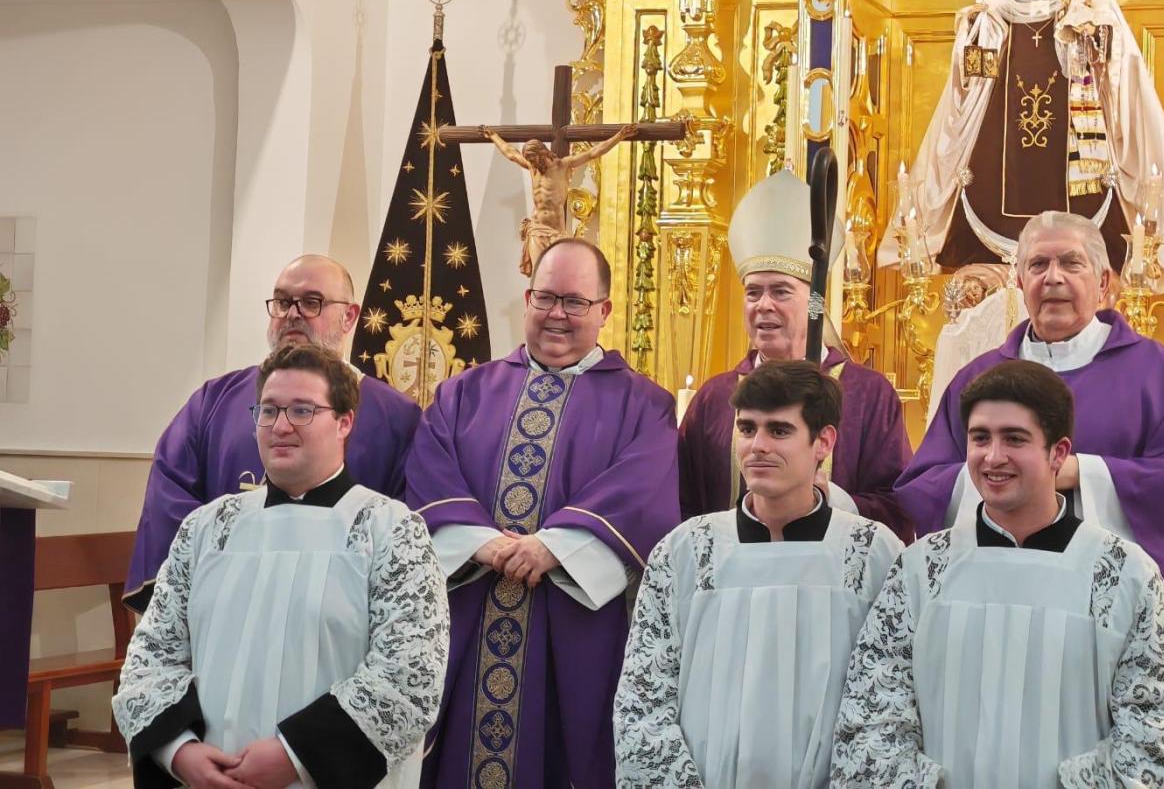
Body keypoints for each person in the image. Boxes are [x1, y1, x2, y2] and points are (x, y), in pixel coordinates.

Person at [831, 360, 1164, 788]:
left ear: (1058, 453)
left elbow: (1154, 739)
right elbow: (873, 715)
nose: (993, 456)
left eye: (1014, 439)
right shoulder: (921, 570)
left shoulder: (1123, 576)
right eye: (980, 437)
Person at [407, 237, 680, 789]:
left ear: (604, 310)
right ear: (527, 300)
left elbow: (642, 492)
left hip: (578, 622)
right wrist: (478, 541)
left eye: (575, 302)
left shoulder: (645, 404)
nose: (558, 314)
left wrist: (554, 547)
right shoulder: (464, 392)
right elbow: (427, 473)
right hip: (471, 608)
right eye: (545, 297)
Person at [112, 343, 448, 789]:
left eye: (303, 410)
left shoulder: (389, 530)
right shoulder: (208, 529)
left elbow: (411, 675)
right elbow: (151, 656)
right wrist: (180, 752)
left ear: (344, 422)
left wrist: (297, 755)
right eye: (268, 411)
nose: (281, 426)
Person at [895, 212, 1164, 634]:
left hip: (1104, 610)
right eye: (1038, 265)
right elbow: (924, 485)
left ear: (1104, 282)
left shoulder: (1156, 374)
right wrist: (1004, 475)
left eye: (1071, 263)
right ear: (1018, 282)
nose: (1053, 278)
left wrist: (1083, 474)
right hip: (995, 601)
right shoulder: (978, 378)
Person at [615, 360, 903, 788]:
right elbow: (642, 699)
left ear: (823, 441)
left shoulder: (872, 553)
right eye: (747, 429)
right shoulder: (686, 551)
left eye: (780, 430)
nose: (757, 446)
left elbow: (890, 701)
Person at [882, 0, 1164, 286]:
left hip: (1071, 104)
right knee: (1006, 168)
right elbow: (981, 52)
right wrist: (973, 24)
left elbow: (1110, 51)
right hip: (1008, 106)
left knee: (1061, 174)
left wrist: (1088, 29)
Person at [124, 254, 421, 613]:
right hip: (220, 604)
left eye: (311, 302)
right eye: (282, 301)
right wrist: (231, 572)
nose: (292, 313)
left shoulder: (397, 418)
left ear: (350, 317)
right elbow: (170, 499)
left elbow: (404, 529)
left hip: (335, 613)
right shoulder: (213, 401)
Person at [680, 170, 912, 537]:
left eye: (781, 292)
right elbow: (684, 506)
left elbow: (900, 504)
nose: (764, 305)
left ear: (815, 301)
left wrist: (828, 497)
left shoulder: (868, 394)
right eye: (753, 293)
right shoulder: (714, 398)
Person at [480, 124, 638, 275]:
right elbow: (510, 153)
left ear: (543, 153)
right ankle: (536, 302)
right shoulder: (532, 167)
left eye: (534, 159)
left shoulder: (563, 165)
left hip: (556, 232)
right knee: (538, 273)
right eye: (530, 160)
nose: (532, 164)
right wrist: (494, 136)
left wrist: (620, 135)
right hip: (537, 229)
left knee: (557, 273)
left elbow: (593, 153)